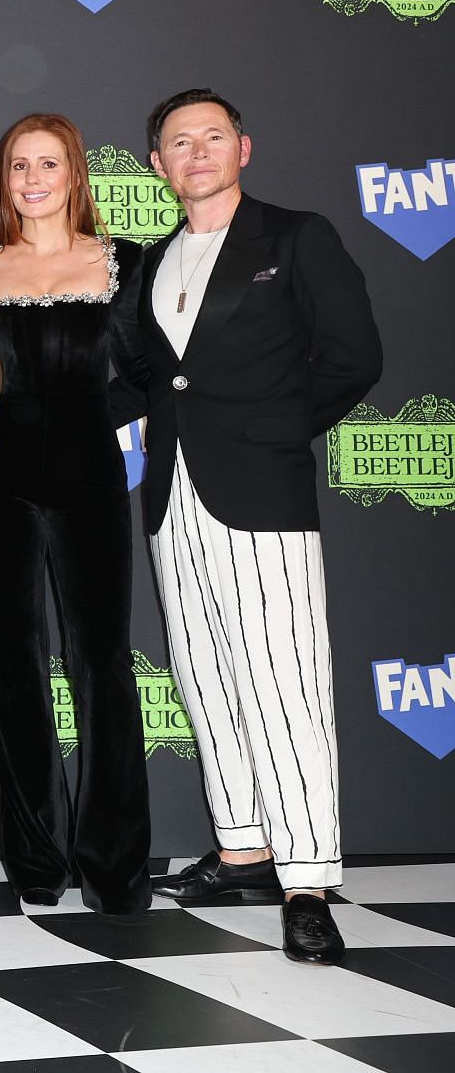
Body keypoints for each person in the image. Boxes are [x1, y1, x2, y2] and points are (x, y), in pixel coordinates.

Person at [120, 89, 381, 964]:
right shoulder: (154, 259)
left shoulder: (296, 237)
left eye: (211, 138)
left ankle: (308, 880)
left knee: (285, 684)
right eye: (177, 143)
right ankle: (242, 849)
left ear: (244, 148)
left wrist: (272, 430)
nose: (195, 152)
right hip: (172, 499)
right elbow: (144, 379)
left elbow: (354, 357)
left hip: (262, 493)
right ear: (157, 166)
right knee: (206, 675)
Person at [0, 113, 150, 914]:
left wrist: (89, 413)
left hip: (90, 482)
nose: (32, 179)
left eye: (48, 163)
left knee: (101, 664)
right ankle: (36, 861)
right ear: (3, 182)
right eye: (17, 166)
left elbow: (154, 372)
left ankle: (112, 865)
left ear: (75, 172)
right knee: (13, 666)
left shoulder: (125, 263)